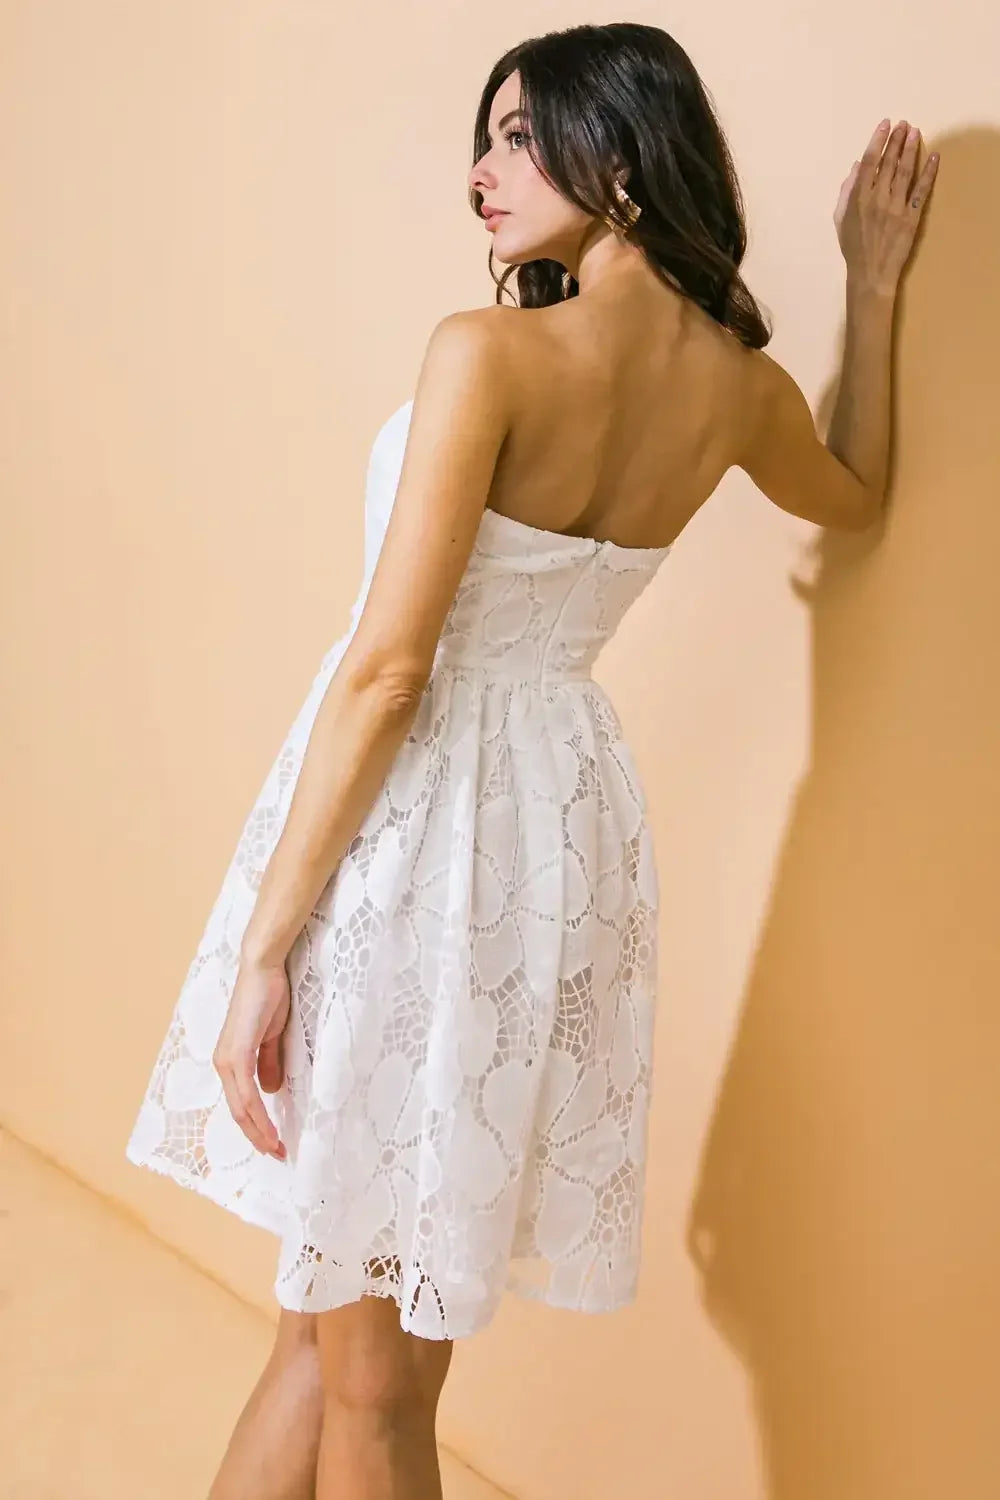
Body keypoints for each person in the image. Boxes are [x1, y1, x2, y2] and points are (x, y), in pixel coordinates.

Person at [124, 21, 939, 1500]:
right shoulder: (739, 390)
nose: (482, 172)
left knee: (372, 1382)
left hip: (412, 828)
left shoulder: (489, 351)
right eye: (484, 140)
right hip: (553, 837)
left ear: (617, 155)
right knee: (332, 1327)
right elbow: (859, 492)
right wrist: (872, 293)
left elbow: (390, 671)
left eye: (517, 135)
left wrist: (266, 945)